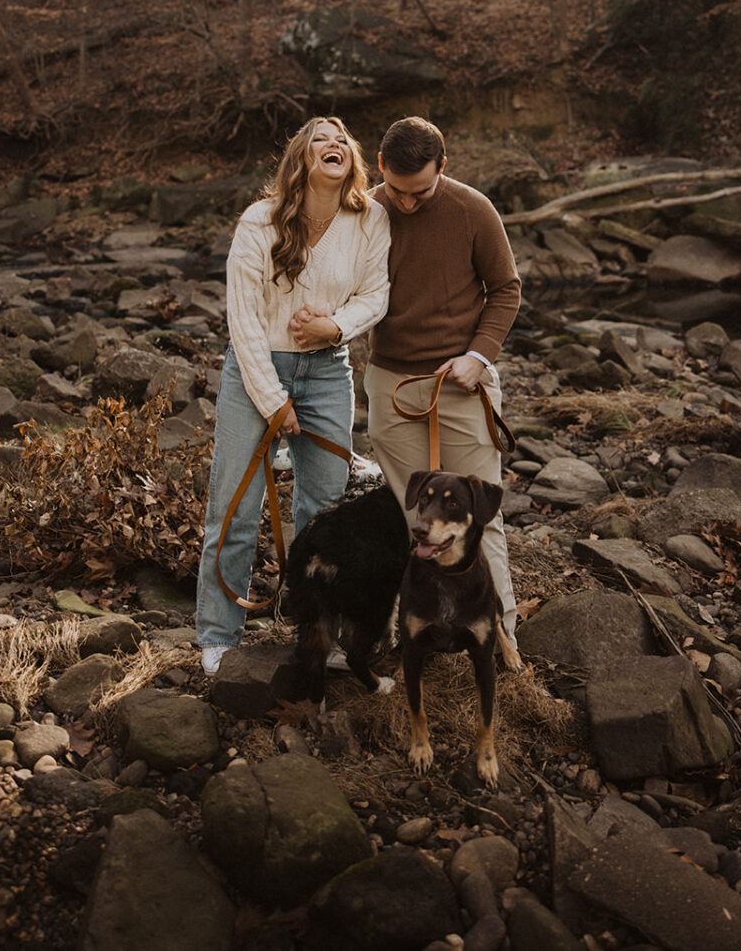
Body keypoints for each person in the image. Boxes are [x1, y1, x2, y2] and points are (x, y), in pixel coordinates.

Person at [196, 116, 391, 677]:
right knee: (233, 506)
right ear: (300, 159)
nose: (332, 143)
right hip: (256, 368)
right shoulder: (260, 221)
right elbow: (244, 321)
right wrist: (272, 398)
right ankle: (217, 635)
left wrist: (334, 327)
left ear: (352, 158)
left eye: (341, 139)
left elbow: (376, 293)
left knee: (325, 512)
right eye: (319, 138)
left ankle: (314, 632)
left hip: (329, 371)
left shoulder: (370, 218)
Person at [365, 116, 521, 641]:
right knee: (410, 521)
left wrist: (479, 356)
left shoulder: (473, 209)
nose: (407, 203)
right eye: (398, 191)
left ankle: (501, 639)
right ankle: (414, 634)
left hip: (464, 382)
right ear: (380, 165)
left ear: (444, 168)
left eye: (422, 191)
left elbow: (505, 288)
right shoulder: (362, 212)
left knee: (483, 519)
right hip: (392, 383)